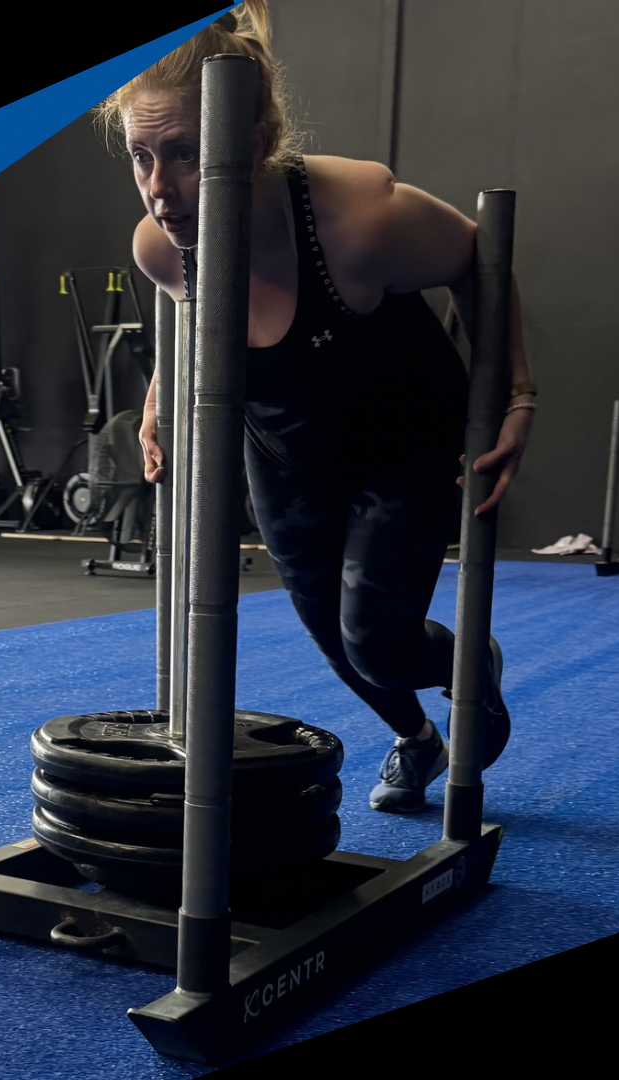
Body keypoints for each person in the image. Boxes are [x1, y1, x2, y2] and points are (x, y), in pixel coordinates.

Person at [96, 0, 536, 813]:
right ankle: (417, 740)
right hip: (286, 450)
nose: (160, 190)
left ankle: (467, 665)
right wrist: (160, 399)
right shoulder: (162, 245)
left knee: (375, 638)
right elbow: (195, 319)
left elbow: (482, 259)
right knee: (335, 641)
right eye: (141, 158)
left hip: (401, 440)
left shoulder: (360, 221)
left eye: (186, 155)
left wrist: (514, 392)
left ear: (256, 140)